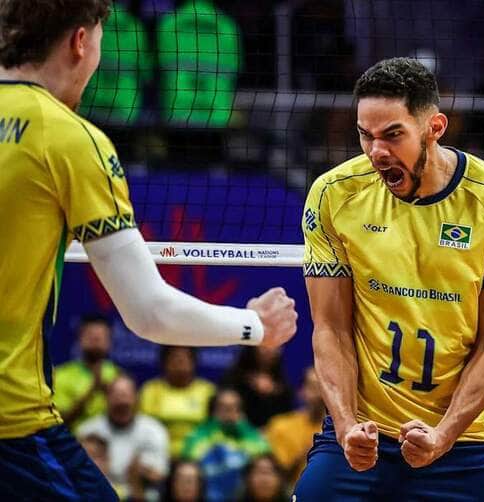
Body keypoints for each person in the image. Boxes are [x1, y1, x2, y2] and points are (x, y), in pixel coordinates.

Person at [0, 1, 298, 498]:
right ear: (80, 42)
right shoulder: (69, 139)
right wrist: (254, 326)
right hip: (12, 421)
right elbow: (149, 312)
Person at [293, 57, 484, 501]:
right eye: (365, 135)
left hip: (462, 443)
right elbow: (330, 329)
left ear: (435, 127)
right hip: (360, 436)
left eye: (392, 135)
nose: (376, 152)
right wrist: (347, 427)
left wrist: (442, 436)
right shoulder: (334, 194)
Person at [77, 374, 169, 499]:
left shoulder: (154, 430)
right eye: (116, 397)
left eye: (126, 397)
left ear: (136, 399)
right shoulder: (87, 430)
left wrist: (138, 473)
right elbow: (80, 474)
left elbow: (159, 474)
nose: (122, 402)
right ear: (106, 399)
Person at [181, 388, 271, 502]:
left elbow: (263, 460)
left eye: (234, 407)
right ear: (214, 411)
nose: (229, 412)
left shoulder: (252, 436)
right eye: (223, 407)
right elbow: (189, 464)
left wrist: (242, 427)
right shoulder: (198, 436)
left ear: (241, 412)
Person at [139, 346, 216, 456]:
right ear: (164, 362)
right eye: (175, 357)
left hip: (198, 455)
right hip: (158, 453)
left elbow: (214, 428)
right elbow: (144, 426)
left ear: (194, 362)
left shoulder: (207, 391)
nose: (180, 361)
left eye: (185, 357)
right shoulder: (151, 390)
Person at [53, 313, 122, 431]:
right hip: (74, 442)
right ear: (80, 339)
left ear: (109, 342)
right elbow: (59, 422)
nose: (96, 340)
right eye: (90, 336)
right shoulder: (61, 375)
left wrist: (111, 396)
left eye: (101, 337)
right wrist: (91, 392)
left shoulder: (118, 376)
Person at [264, 366, 326, 486]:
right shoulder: (280, 426)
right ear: (301, 391)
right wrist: (307, 451)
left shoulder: (342, 431)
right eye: (313, 387)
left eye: (323, 388)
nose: (318, 395)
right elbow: (279, 476)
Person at [222, 345, 295, 428]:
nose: (270, 350)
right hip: (239, 430)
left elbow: (286, 415)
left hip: (271, 433)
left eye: (275, 346)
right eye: (265, 346)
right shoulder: (234, 378)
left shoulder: (282, 383)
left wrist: (274, 392)